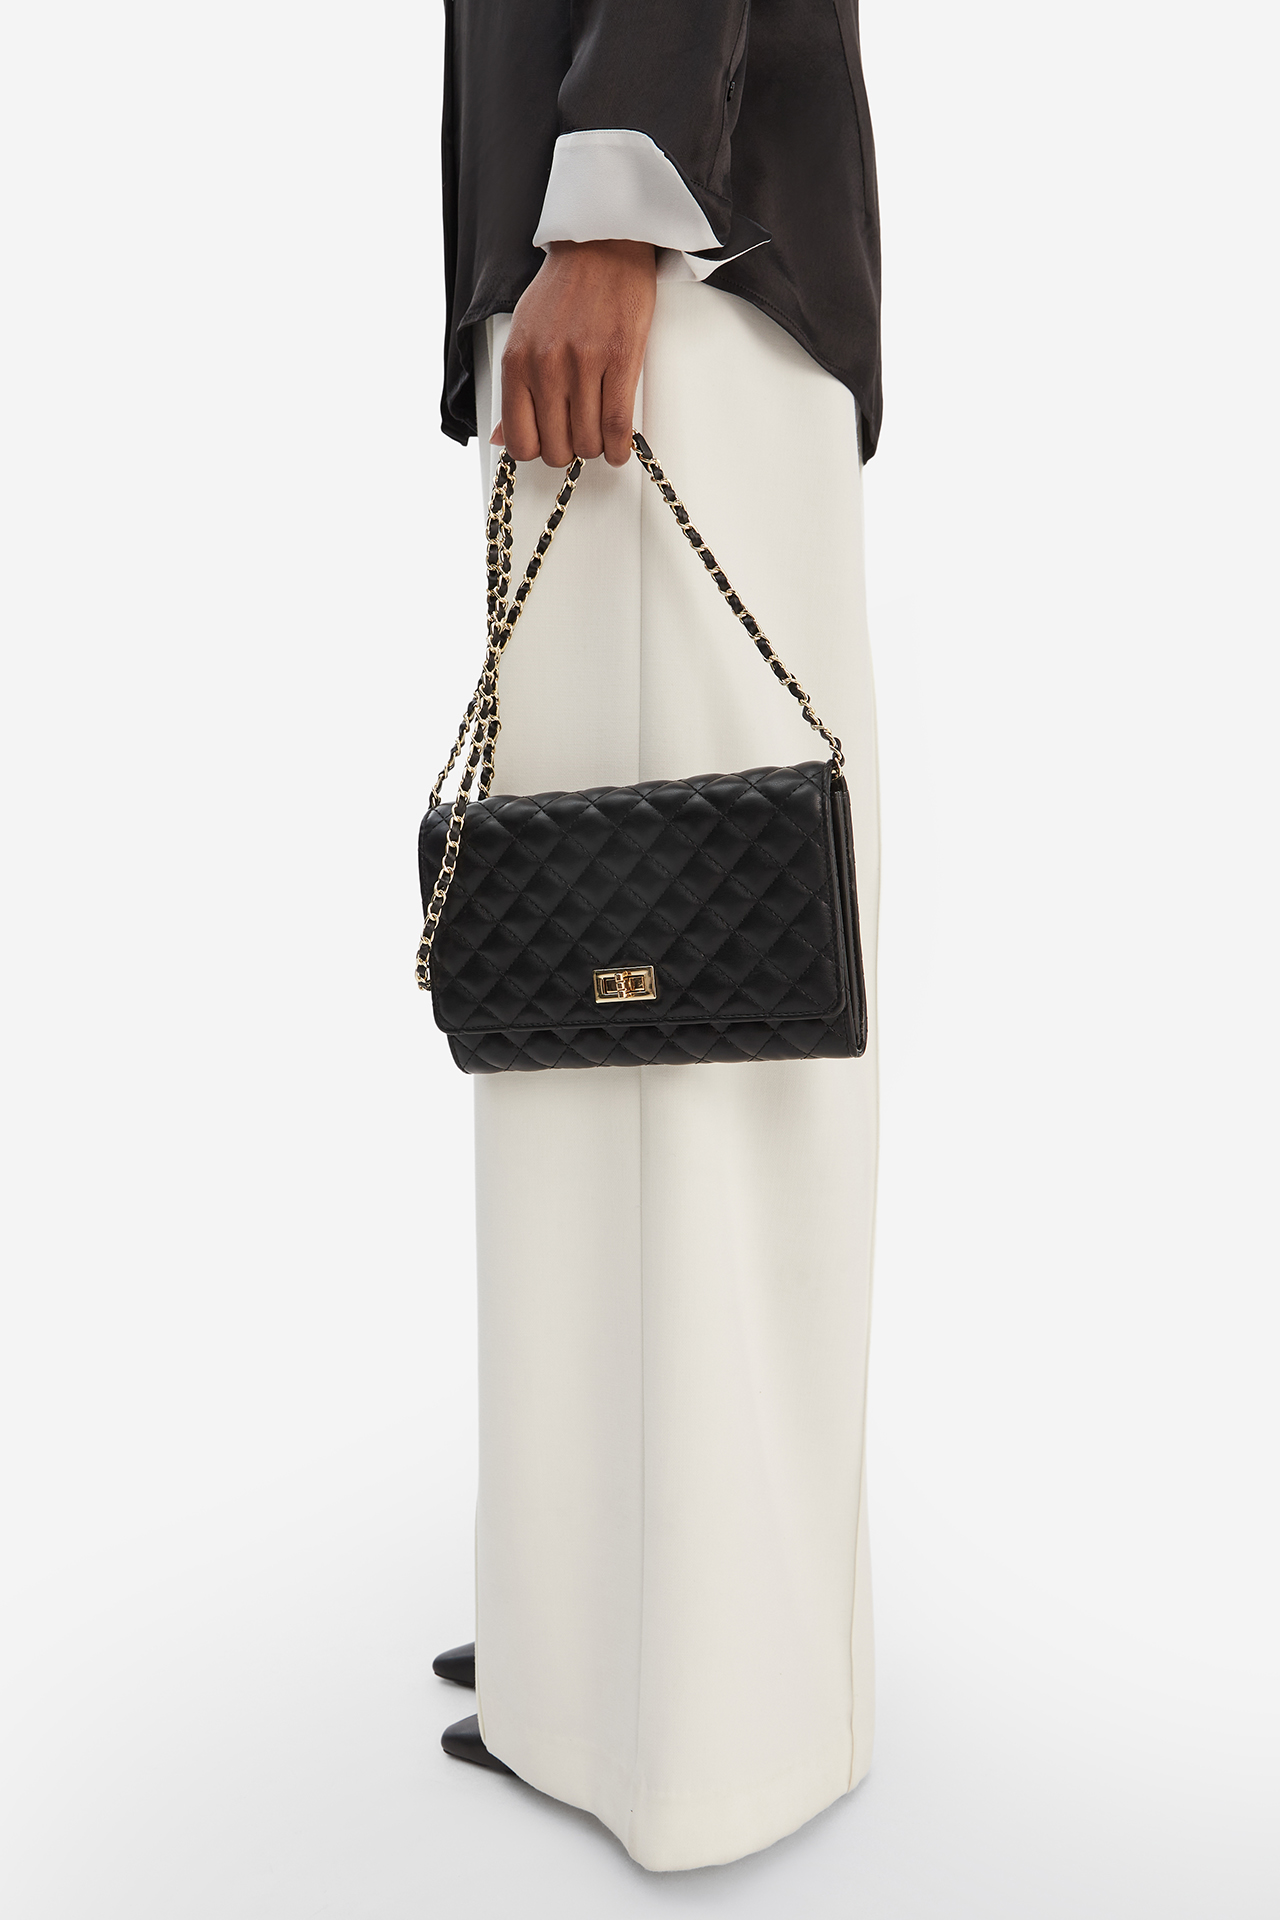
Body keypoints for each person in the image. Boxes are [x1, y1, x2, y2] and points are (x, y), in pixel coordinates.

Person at [430, 0, 883, 1873]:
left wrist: (615, 217)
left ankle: (712, 1726)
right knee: (589, 1005)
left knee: (705, 1023)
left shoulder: (631, 244)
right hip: (614, 263)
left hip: (667, 269)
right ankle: (586, 1649)